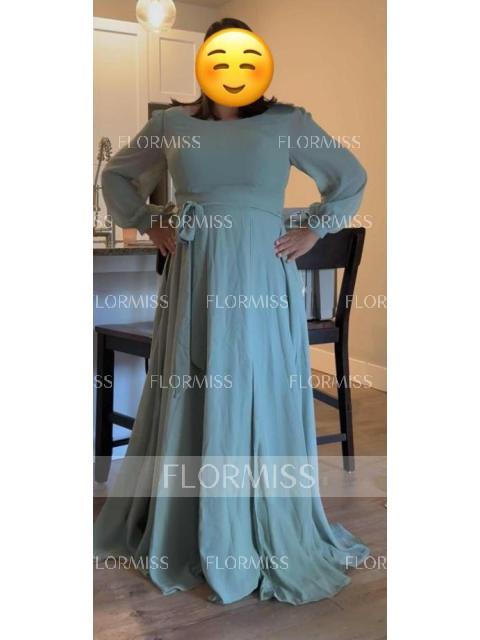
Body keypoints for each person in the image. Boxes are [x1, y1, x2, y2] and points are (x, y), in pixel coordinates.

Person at [94, 17, 369, 606]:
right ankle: (189, 524)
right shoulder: (170, 125)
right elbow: (116, 176)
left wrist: (314, 227)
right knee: (192, 381)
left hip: (262, 277)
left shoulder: (287, 121)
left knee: (257, 383)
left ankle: (261, 523)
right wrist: (151, 221)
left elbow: (349, 177)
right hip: (196, 274)